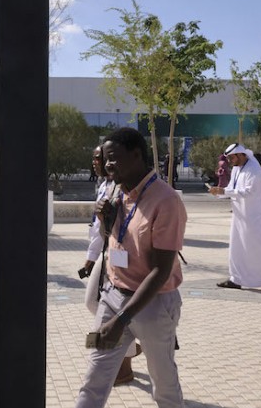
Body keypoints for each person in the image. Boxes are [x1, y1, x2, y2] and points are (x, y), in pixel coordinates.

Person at [76, 128, 186, 408]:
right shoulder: (115, 191)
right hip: (114, 297)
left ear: (137, 155)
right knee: (94, 378)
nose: (107, 165)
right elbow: (111, 240)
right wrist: (104, 220)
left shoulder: (166, 200)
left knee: (164, 383)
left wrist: (122, 320)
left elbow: (161, 271)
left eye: (113, 158)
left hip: (154, 304)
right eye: (105, 159)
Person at [80, 146, 141, 385]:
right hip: (107, 254)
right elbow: (98, 229)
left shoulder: (122, 186)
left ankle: (124, 364)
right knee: (93, 303)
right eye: (94, 157)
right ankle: (131, 348)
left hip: (122, 256)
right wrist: (90, 258)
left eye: (99, 157)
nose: (95, 162)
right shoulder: (105, 185)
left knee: (114, 309)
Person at [208, 143, 261, 293]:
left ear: (241, 155)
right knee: (236, 248)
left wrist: (223, 190)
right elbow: (233, 189)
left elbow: (248, 192)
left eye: (232, 157)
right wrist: (220, 192)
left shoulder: (254, 170)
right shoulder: (237, 169)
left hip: (254, 218)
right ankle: (236, 279)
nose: (231, 161)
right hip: (240, 216)